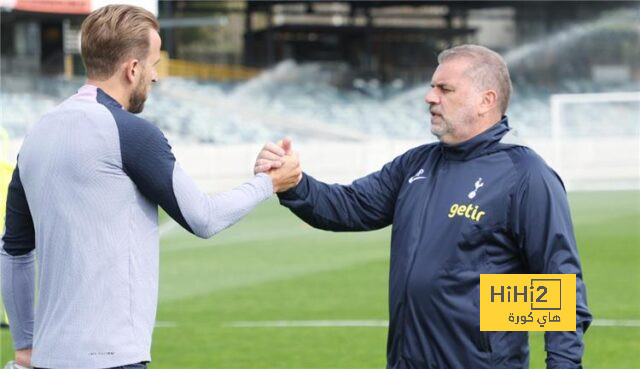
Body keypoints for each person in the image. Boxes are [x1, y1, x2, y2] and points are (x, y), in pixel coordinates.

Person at [0, 5, 300, 369]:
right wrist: (268, 183)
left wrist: (26, 344)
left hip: (48, 359)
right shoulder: (133, 134)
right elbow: (203, 218)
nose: (156, 76)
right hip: (114, 360)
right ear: (132, 68)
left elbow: (14, 252)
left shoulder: (36, 136)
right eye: (154, 64)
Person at [258, 44, 591, 368]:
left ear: (485, 101)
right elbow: (349, 206)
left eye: (445, 89)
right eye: (432, 87)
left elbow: (560, 290)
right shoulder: (416, 164)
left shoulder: (524, 174)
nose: (430, 97)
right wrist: (294, 184)